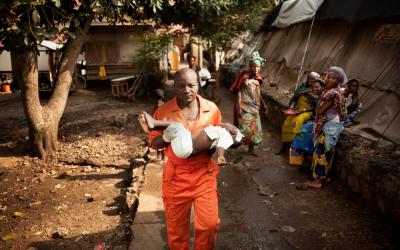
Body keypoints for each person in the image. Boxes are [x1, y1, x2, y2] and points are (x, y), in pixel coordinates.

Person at [148, 68, 234, 249]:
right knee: (177, 231)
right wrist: (165, 138)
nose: (187, 90)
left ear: (198, 85)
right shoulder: (163, 112)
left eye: (191, 85)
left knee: (209, 226)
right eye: (181, 86)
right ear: (174, 87)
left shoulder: (211, 109)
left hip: (204, 174)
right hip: (176, 178)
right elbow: (153, 143)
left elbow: (217, 135)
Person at [139, 111, 242, 165]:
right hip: (183, 149)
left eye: (232, 125)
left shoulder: (225, 135)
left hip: (186, 147)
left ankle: (153, 124)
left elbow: (221, 146)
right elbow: (209, 151)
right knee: (174, 128)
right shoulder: (216, 136)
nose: (229, 123)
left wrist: (220, 157)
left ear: (233, 130)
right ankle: (149, 128)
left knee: (177, 125)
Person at [302, 66, 347, 189]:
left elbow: (321, 110)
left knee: (322, 153)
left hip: (330, 127)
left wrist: (319, 109)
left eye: (333, 78)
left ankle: (317, 181)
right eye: (329, 77)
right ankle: (323, 177)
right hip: (327, 125)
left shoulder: (333, 94)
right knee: (323, 153)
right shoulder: (329, 92)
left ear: (338, 81)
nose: (329, 79)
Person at [230, 51, 265, 156]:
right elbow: (239, 92)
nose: (256, 68)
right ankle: (233, 142)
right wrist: (239, 106)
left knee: (255, 129)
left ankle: (251, 148)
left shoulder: (258, 79)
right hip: (245, 106)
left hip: (255, 107)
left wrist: (264, 104)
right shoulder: (244, 77)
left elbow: (258, 93)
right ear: (250, 66)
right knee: (246, 128)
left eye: (258, 67)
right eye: (254, 66)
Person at [278, 76, 324, 154]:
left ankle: (293, 148)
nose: (310, 80)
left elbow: (315, 108)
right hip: (297, 110)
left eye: (312, 79)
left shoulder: (319, 94)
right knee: (287, 122)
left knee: (297, 121)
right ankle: (284, 146)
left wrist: (303, 110)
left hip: (307, 112)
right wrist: (291, 108)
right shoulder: (302, 89)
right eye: (309, 78)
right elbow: (294, 99)